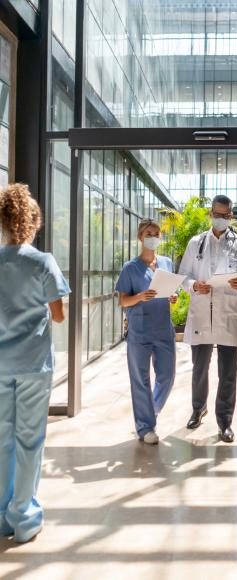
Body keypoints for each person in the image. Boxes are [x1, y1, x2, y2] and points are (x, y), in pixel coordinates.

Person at [0, 184, 70, 543]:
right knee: (29, 441)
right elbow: (58, 316)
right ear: (33, 221)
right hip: (32, 365)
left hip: (0, 364)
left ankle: (1, 518)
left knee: (2, 440)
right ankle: (24, 517)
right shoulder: (43, 262)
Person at [178, 195, 237, 443]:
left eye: (224, 215)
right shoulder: (196, 243)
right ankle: (198, 409)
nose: (220, 219)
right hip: (202, 312)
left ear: (230, 216)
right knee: (199, 368)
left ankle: (225, 422)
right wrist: (193, 286)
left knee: (227, 372)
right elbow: (183, 275)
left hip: (228, 313)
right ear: (210, 213)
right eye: (216, 214)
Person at [116, 218, 178, 445]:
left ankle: (150, 411)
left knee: (167, 376)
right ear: (140, 237)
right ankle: (145, 427)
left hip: (163, 328)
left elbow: (171, 292)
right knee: (140, 380)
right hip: (139, 331)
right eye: (148, 233)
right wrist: (141, 297)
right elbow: (122, 301)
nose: (153, 237)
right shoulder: (130, 268)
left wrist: (173, 296)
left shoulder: (167, 263)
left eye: (156, 233)